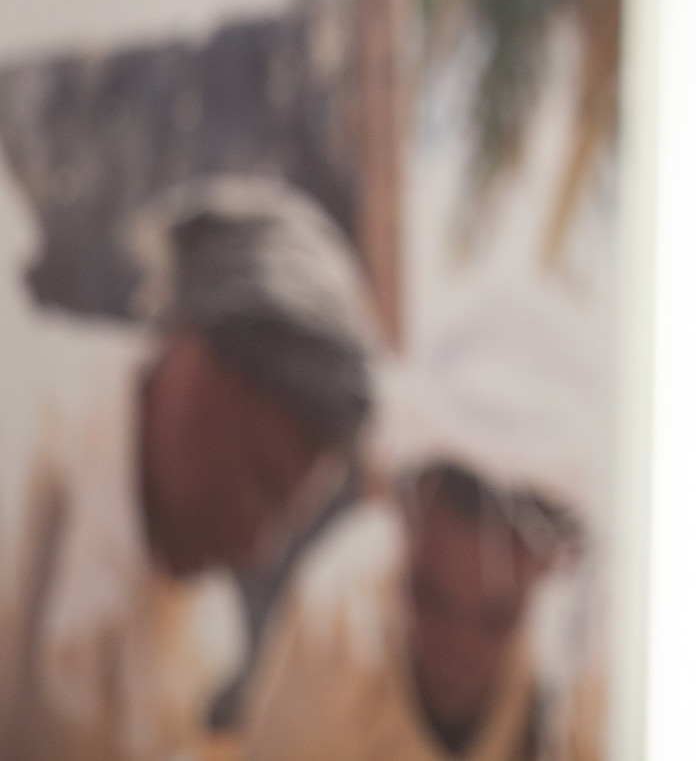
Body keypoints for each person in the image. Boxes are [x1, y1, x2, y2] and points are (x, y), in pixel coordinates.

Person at [0, 170, 377, 761]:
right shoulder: (17, 441)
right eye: (263, 484)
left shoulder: (197, 636)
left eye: (286, 519)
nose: (255, 549)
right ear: (197, 370)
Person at [241, 288, 599, 761]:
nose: (456, 648)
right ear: (405, 525)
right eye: (429, 598)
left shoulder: (576, 665)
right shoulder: (336, 619)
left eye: (496, 620)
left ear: (545, 571)